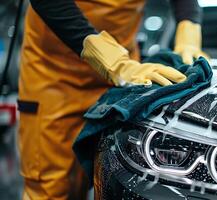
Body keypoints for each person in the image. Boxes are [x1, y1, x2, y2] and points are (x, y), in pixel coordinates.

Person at [17, 0, 207, 199]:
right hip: (55, 74)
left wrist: (189, 33)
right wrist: (116, 64)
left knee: (121, 180)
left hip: (125, 78)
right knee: (52, 187)